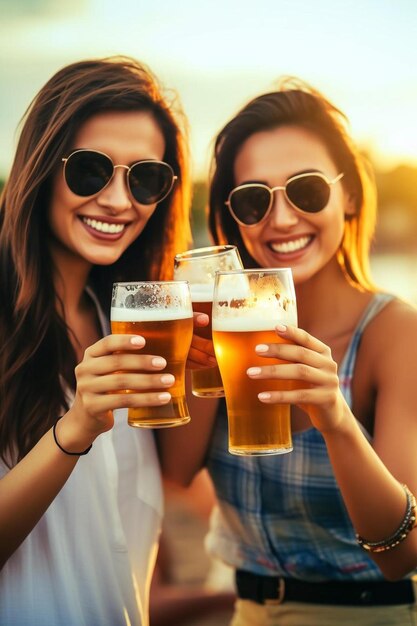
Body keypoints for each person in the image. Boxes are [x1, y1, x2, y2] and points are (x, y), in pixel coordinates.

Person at [159, 78, 417, 625]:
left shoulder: (395, 334)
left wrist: (337, 421)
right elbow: (176, 472)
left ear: (347, 195)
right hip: (249, 613)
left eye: (306, 189)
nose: (280, 219)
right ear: (233, 216)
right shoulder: (228, 326)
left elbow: (403, 554)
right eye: (254, 199)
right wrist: (199, 347)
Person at [0, 56, 193, 626]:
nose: (117, 200)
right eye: (91, 170)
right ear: (40, 167)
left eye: (146, 178)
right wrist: (74, 428)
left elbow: (159, 502)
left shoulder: (127, 324)